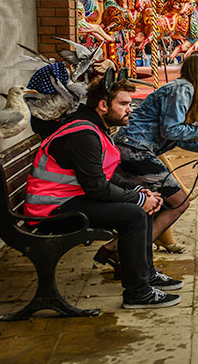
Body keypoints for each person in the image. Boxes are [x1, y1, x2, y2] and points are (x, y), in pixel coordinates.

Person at [25, 75, 181, 309]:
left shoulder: (94, 127)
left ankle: (146, 276)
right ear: (103, 105)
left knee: (141, 207)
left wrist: (141, 192)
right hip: (50, 210)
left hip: (69, 200)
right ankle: (138, 293)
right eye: (124, 104)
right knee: (135, 214)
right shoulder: (84, 135)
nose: (130, 109)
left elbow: (109, 175)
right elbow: (97, 187)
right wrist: (139, 199)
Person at [104, 55, 198, 273]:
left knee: (157, 204)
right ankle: (127, 253)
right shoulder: (183, 89)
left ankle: (123, 252)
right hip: (135, 149)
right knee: (179, 202)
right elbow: (172, 130)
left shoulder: (183, 90)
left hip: (132, 148)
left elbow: (177, 138)